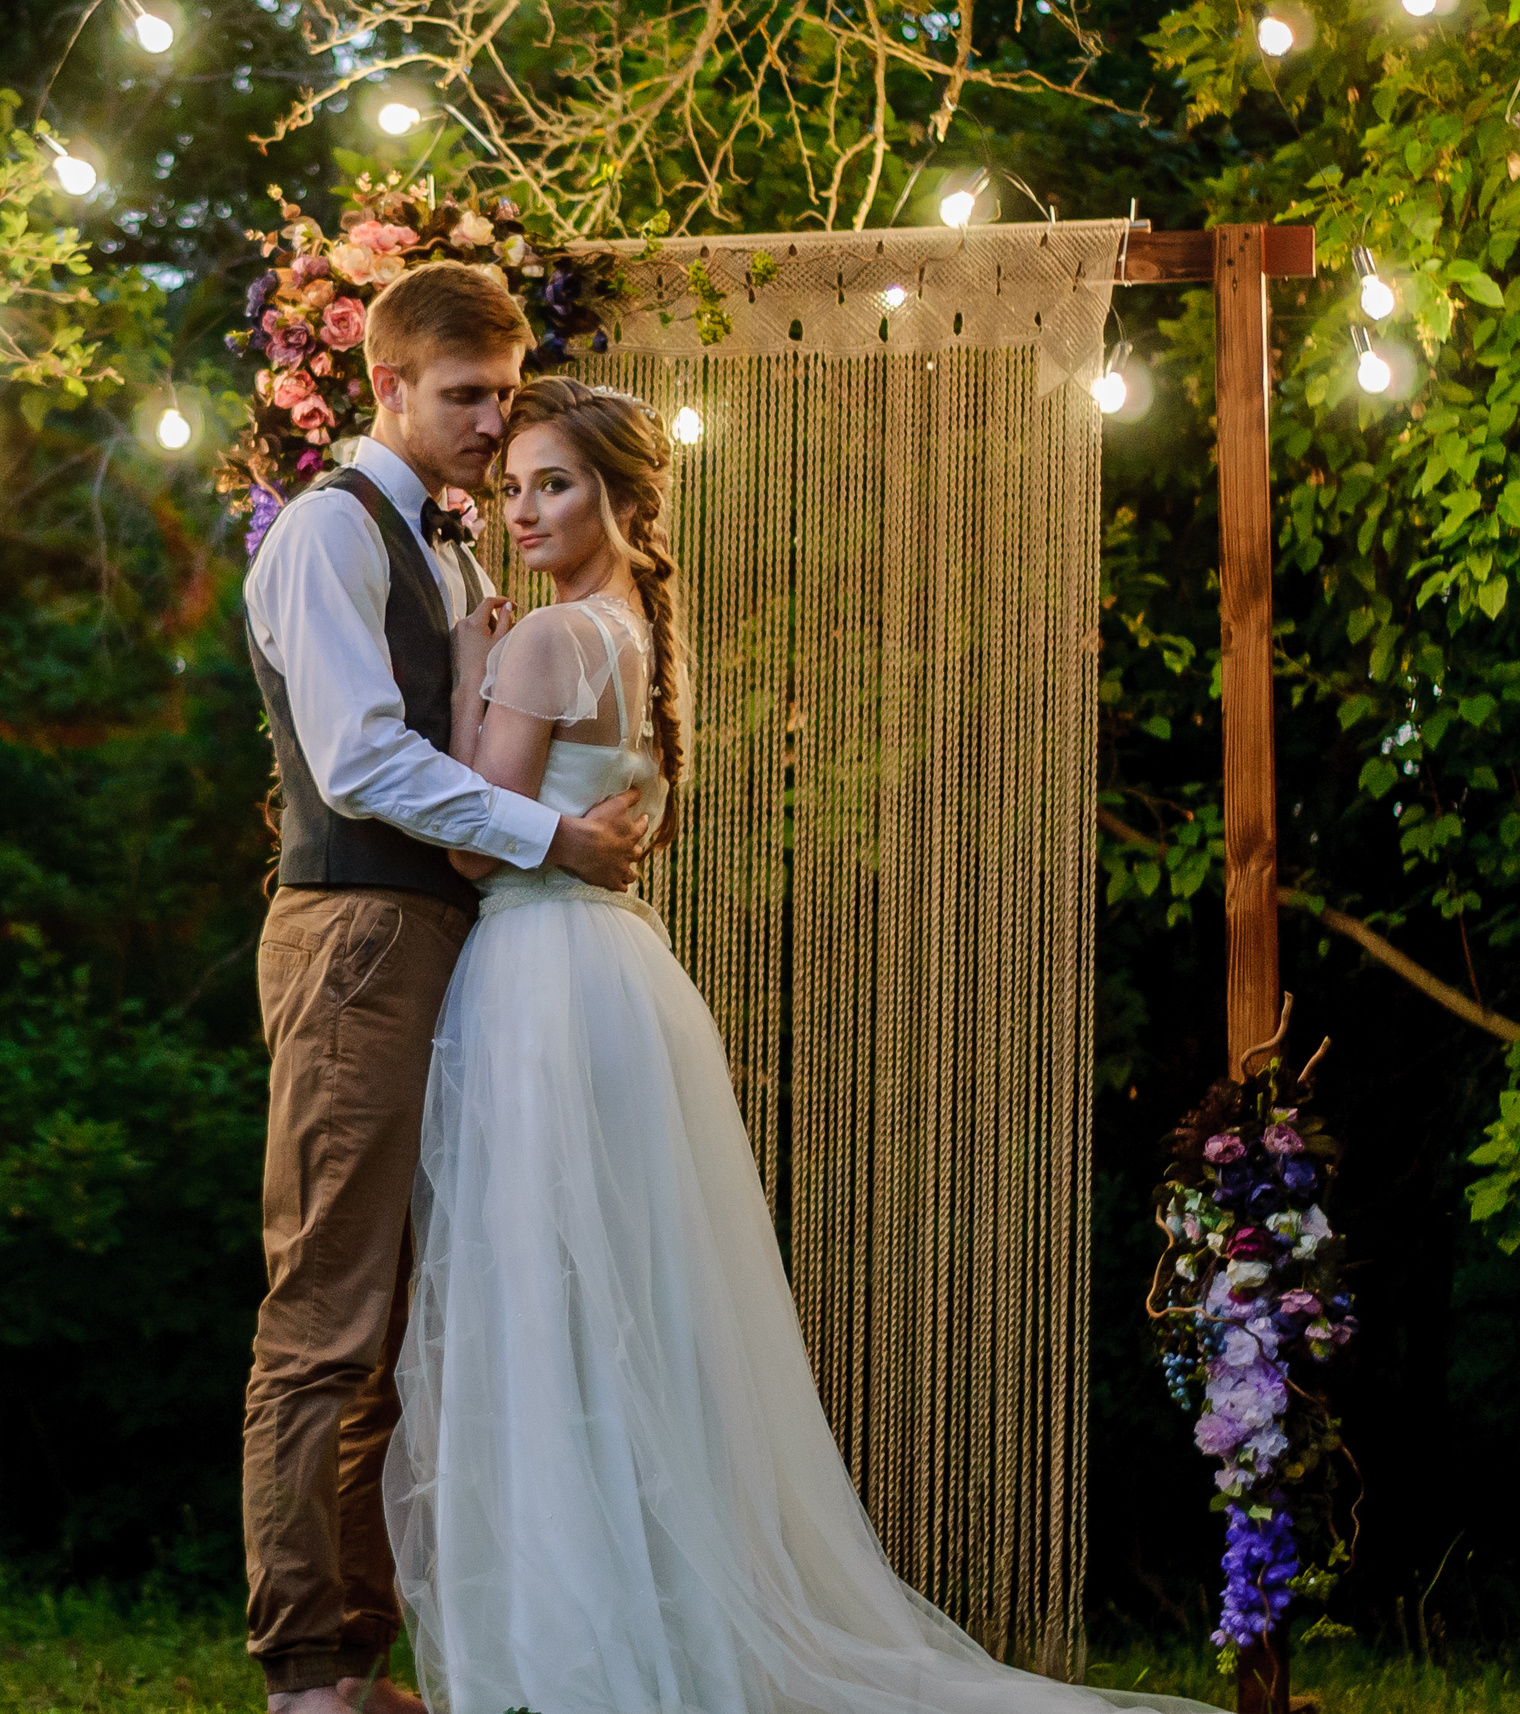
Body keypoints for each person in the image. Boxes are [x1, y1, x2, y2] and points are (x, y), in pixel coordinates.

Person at [381, 377, 1224, 1714]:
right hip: (624, 979)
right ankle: (636, 1617)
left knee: (544, 1303)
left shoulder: (544, 645)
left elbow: (470, 832)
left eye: (556, 483)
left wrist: (474, 665)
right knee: (628, 1309)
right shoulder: (645, 631)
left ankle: (571, 1647)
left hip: (542, 971)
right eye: (519, 483)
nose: (525, 508)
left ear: (616, 496)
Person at [241, 266, 650, 1714]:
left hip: (446, 942)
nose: (491, 420)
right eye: (464, 394)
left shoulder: (460, 551)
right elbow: (355, 757)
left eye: (503, 387)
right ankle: (307, 1670)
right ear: (389, 390)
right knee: (328, 1311)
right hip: (355, 934)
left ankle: (361, 1655)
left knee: (411, 1318)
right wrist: (552, 838)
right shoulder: (322, 537)